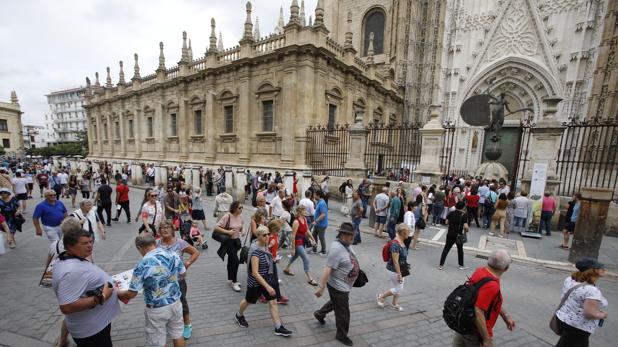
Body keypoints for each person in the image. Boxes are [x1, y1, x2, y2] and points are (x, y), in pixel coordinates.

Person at [51, 221, 120, 347]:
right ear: (70, 246)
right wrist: (103, 296)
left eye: (90, 242)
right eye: (84, 243)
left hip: (95, 325)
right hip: (92, 330)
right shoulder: (73, 272)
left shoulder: (66, 258)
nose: (90, 246)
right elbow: (66, 306)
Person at [117, 234, 187, 347]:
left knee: (157, 340)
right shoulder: (173, 255)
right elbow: (183, 273)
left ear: (139, 247)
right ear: (154, 243)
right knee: (178, 334)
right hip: (175, 302)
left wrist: (117, 291)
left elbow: (131, 294)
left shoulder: (142, 264)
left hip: (156, 308)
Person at [234, 226, 293, 337]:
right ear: (258, 236)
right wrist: (268, 287)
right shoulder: (255, 251)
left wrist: (273, 260)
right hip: (256, 283)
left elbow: (266, 259)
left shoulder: (264, 245)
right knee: (248, 301)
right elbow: (255, 273)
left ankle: (278, 327)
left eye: (268, 234)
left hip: (266, 279)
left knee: (273, 302)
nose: (268, 236)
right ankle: (238, 315)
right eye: (264, 235)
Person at [452, 249, 516, 347]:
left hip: (464, 323)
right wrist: (486, 339)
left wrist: (505, 316)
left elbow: (492, 302)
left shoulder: (480, 271)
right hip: (476, 333)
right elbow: (478, 310)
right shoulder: (492, 285)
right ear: (506, 268)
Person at [314, 223, 360, 346]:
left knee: (336, 302)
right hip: (338, 285)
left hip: (344, 285)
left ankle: (319, 313)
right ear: (343, 235)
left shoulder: (345, 244)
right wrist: (321, 287)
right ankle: (341, 334)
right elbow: (327, 268)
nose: (353, 237)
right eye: (351, 235)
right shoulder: (336, 248)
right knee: (343, 311)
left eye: (353, 234)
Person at [156, 220, 200, 340]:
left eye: (167, 227)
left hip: (178, 280)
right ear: (159, 231)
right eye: (162, 228)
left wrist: (187, 263)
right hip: (162, 281)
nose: (165, 230)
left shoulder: (180, 243)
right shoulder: (156, 244)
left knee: (182, 302)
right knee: (164, 303)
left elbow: (195, 252)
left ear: (172, 229)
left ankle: (187, 324)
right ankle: (167, 324)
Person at [554, 258, 608, 347]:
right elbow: (590, 314)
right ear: (593, 271)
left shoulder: (570, 279)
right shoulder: (592, 291)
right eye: (600, 267)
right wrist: (603, 315)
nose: (604, 269)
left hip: (562, 318)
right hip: (577, 328)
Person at [377, 223, 412, 311]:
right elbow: (395, 262)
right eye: (408, 232)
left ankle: (394, 303)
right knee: (398, 288)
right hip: (394, 270)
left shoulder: (401, 241)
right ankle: (381, 296)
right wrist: (399, 274)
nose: (409, 234)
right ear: (403, 233)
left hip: (402, 267)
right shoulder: (396, 244)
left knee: (400, 287)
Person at [283, 204, 318, 286]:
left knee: (295, 256)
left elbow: (307, 231)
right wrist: (293, 248)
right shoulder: (296, 221)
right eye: (304, 210)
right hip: (297, 242)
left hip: (302, 241)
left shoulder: (305, 219)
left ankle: (286, 269)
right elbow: (293, 235)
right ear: (300, 211)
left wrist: (313, 239)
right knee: (306, 259)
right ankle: (309, 278)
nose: (306, 212)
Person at [214, 201, 245, 292]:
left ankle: (229, 279)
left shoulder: (240, 216)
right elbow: (216, 227)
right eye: (240, 208)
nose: (241, 209)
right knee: (236, 261)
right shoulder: (227, 216)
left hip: (236, 241)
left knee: (231, 260)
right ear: (234, 208)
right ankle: (234, 282)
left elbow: (242, 225)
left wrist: (243, 231)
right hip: (228, 242)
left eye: (242, 207)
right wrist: (228, 232)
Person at [439, 201, 469, 270]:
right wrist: (466, 230)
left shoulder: (451, 213)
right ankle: (461, 265)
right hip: (458, 235)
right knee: (460, 250)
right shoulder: (463, 215)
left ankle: (441, 265)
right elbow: (466, 226)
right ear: (463, 207)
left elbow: (446, 222)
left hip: (450, 233)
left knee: (446, 249)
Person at [311, 189, 329, 255]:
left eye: (315, 194)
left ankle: (323, 251)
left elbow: (323, 214)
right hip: (318, 224)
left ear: (318, 195)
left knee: (321, 238)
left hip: (321, 224)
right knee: (314, 236)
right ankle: (314, 249)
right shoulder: (319, 202)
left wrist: (316, 220)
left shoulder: (321, 203)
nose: (314, 196)